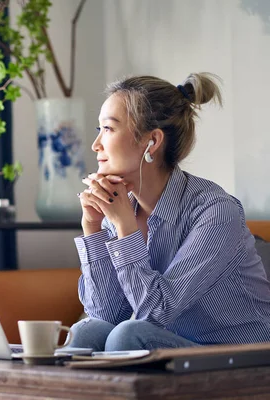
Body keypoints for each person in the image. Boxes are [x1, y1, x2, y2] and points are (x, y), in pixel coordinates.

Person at [69, 72, 270, 352]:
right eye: (98, 130)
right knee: (87, 332)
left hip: (246, 357)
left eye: (109, 129)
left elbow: (156, 312)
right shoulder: (121, 208)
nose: (96, 145)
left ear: (152, 142)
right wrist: (93, 228)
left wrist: (126, 230)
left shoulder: (216, 211)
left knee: (127, 337)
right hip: (180, 350)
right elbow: (106, 314)